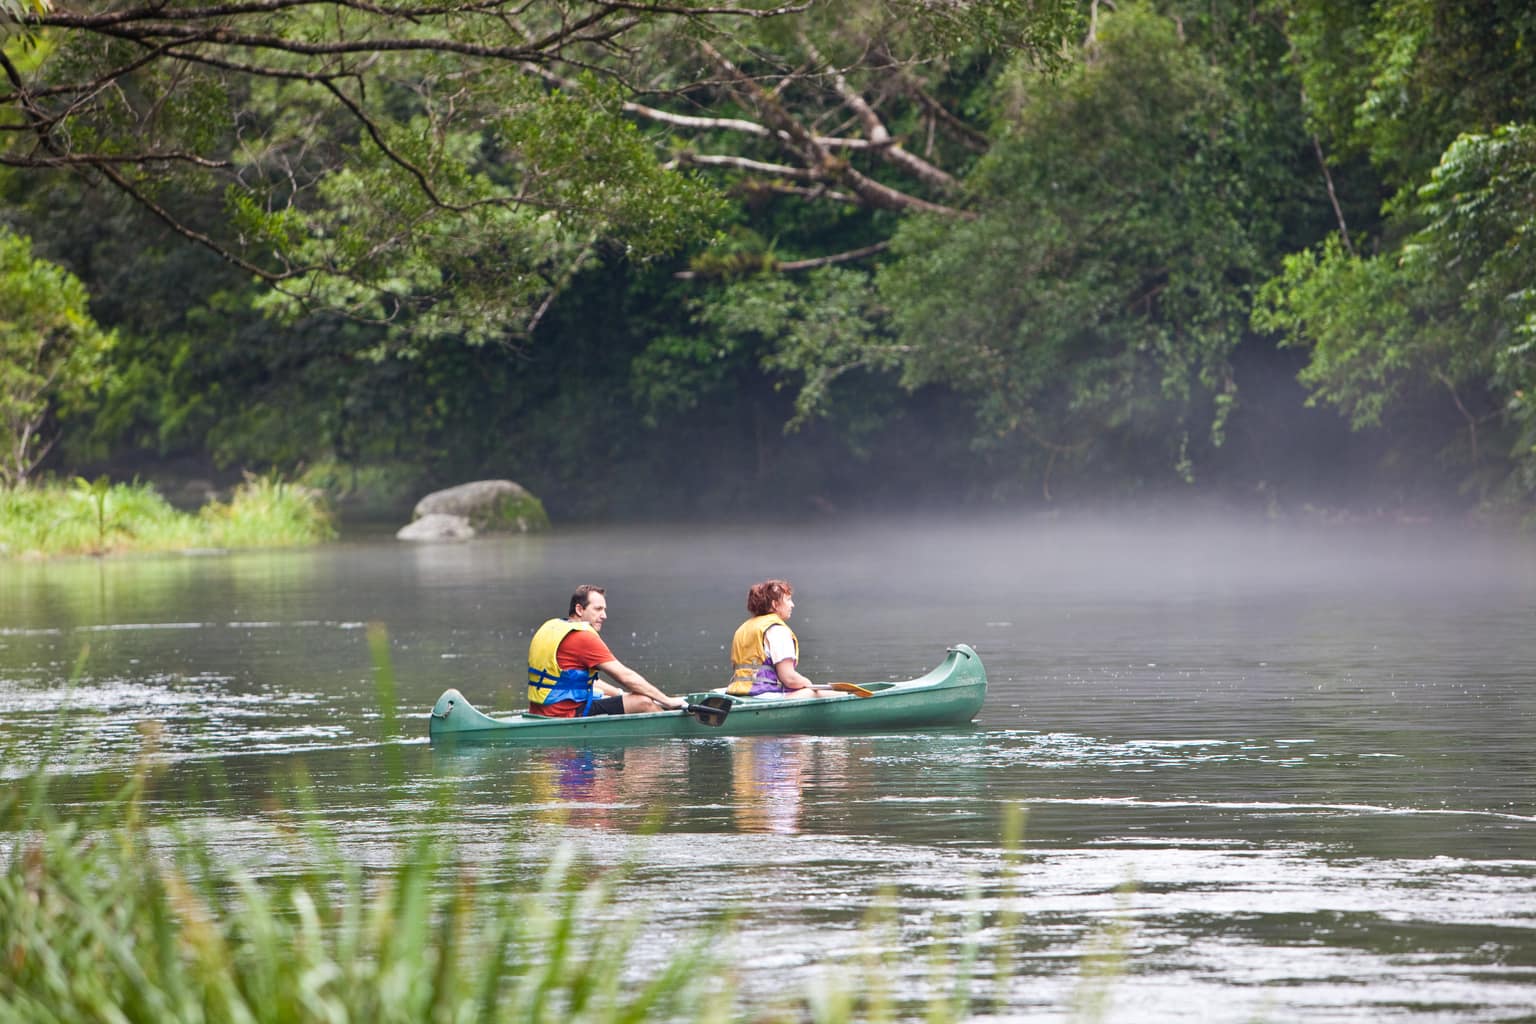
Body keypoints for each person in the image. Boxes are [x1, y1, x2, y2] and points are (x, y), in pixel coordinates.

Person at [527, 585, 688, 717]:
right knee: (643, 702)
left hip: (540, 710)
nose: (604, 616)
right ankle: (671, 739)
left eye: (604, 609)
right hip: (565, 713)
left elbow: (578, 681)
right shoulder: (582, 637)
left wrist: (619, 694)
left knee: (614, 696)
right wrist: (667, 701)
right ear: (579, 609)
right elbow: (625, 676)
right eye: (598, 609)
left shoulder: (552, 627)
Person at [726, 578, 833, 698]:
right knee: (820, 694)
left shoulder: (743, 628)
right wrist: (808, 684)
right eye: (788, 600)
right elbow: (789, 678)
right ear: (775, 604)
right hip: (764, 695)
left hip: (737, 693)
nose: (792, 605)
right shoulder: (777, 630)